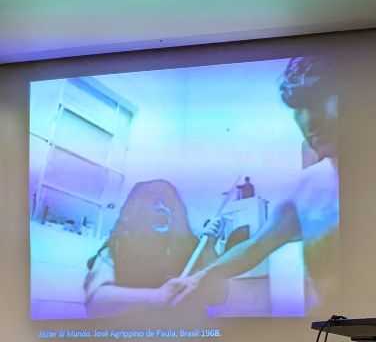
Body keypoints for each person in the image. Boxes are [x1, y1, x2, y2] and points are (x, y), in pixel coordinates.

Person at [164, 55, 340, 316]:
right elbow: (255, 247)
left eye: (318, 102)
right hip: (333, 339)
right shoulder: (305, 188)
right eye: (298, 109)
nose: (309, 122)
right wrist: (199, 278)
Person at [83, 179, 222, 317]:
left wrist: (209, 246)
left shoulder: (193, 248)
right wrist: (156, 296)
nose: (162, 206)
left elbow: (218, 297)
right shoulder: (117, 247)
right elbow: (96, 301)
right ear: (136, 212)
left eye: (167, 202)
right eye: (153, 202)